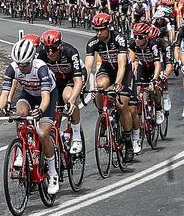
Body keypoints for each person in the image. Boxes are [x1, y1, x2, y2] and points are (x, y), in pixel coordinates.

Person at [0, 39, 60, 195]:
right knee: (20, 114)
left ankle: (52, 173)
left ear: (32, 59)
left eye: (25, 64)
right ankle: (22, 150)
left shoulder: (41, 68)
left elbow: (45, 98)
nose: (21, 68)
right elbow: (4, 94)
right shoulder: (12, 68)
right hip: (29, 94)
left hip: (47, 95)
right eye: (19, 64)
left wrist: (40, 111)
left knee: (43, 133)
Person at [84, 12, 135, 155]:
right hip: (107, 68)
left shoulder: (119, 38)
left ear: (109, 27)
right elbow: (88, 67)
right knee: (100, 87)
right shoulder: (93, 43)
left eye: (102, 29)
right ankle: (103, 117)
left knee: (121, 104)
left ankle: (128, 140)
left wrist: (118, 84)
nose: (99, 33)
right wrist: (83, 84)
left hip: (122, 70)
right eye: (96, 29)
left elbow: (122, 64)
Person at [36, 29, 86, 155]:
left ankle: (76, 135)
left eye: (53, 48)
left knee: (67, 97)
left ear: (60, 46)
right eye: (47, 49)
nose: (50, 53)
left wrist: (73, 100)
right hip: (55, 81)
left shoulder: (70, 52)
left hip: (72, 78)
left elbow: (78, 81)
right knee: (52, 108)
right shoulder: (40, 53)